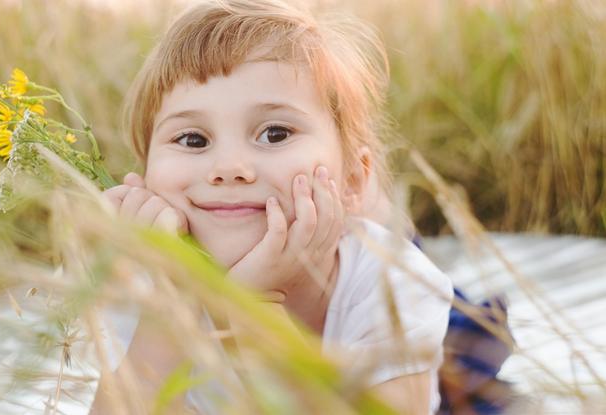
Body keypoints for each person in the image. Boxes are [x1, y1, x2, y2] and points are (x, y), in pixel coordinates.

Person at [92, 0, 454, 413]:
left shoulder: (392, 284)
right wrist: (172, 299)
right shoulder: (141, 282)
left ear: (352, 177)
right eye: (193, 140)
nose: (228, 169)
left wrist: (255, 306)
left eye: (275, 133)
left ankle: (377, 211)